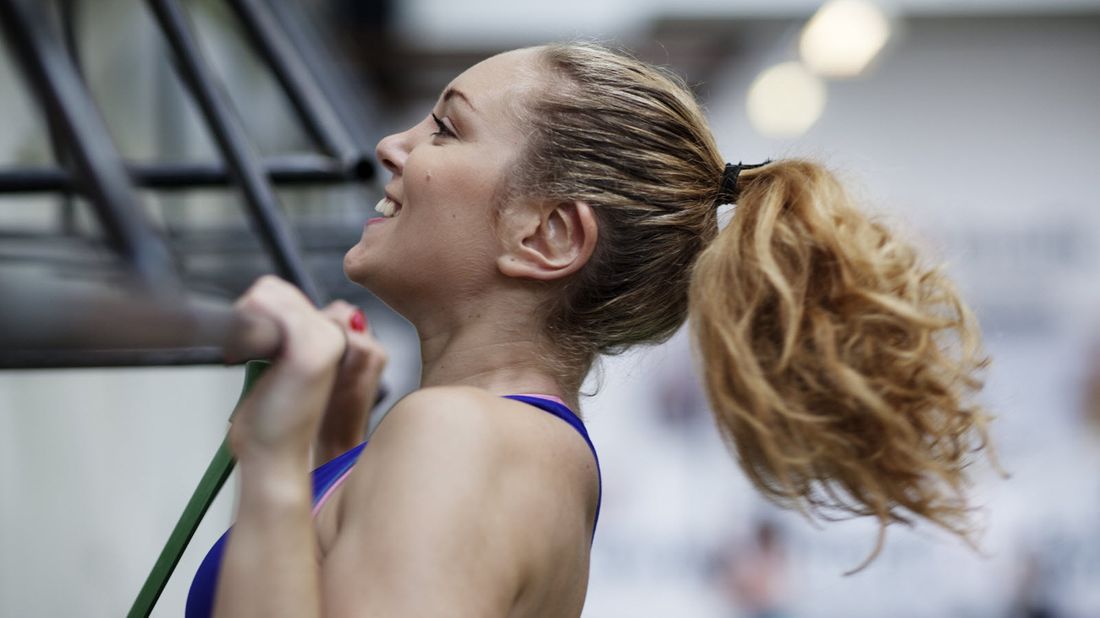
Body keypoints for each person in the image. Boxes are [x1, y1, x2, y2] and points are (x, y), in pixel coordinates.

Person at [188, 42, 997, 617]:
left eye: (445, 129)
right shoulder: (508, 443)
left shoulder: (462, 439)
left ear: (546, 237)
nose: (391, 146)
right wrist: (333, 455)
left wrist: (269, 458)